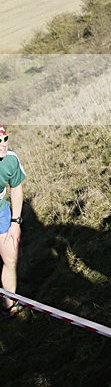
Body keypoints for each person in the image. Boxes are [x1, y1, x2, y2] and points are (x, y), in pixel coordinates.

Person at [0, 125, 26, 319]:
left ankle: (9, 306)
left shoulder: (10, 159)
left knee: (11, 257)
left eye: (5, 138)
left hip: (1, 213)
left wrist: (15, 222)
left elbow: (16, 188)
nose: (3, 145)